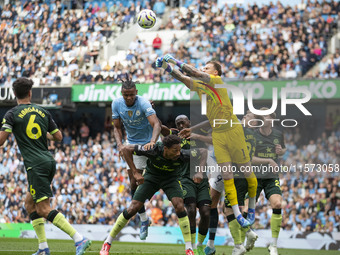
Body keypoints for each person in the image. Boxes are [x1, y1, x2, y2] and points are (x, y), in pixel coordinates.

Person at [154, 55, 258, 229]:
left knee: (249, 176)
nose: (203, 69)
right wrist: (167, 67)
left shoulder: (217, 81)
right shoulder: (202, 87)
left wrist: (174, 60)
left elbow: (192, 72)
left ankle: (252, 207)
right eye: (203, 68)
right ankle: (239, 214)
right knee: (227, 176)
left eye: (206, 67)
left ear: (215, 72)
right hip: (218, 134)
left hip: (233, 131)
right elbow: (183, 78)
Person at [0, 78, 91, 255]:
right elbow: (58, 137)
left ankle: (79, 238)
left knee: (43, 208)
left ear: (14, 94)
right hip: (48, 161)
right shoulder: (42, 111)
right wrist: (42, 134)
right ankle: (43, 248)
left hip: (35, 165)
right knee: (29, 204)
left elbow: (1, 141)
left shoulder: (12, 114)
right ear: (30, 93)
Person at [99, 135, 208, 255]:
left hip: (171, 179)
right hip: (152, 178)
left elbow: (203, 152)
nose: (178, 153)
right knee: (133, 208)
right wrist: (135, 172)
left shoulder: (182, 154)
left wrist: (200, 172)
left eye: (179, 150)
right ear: (165, 149)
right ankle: (107, 242)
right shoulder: (154, 149)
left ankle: (189, 249)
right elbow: (126, 149)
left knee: (180, 206)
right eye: (175, 150)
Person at [112, 74, 161, 240]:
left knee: (155, 182)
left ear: (136, 92)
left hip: (150, 143)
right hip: (133, 144)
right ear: (121, 93)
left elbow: (156, 124)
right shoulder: (116, 104)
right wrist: (120, 144)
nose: (129, 98)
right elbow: (117, 128)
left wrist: (153, 141)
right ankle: (144, 220)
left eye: (131, 94)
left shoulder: (143, 103)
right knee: (133, 184)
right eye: (125, 95)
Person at [164, 115, 212, 255]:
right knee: (190, 210)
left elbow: (212, 122)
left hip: (201, 179)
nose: (180, 125)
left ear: (189, 122)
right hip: (185, 178)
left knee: (206, 212)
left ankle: (200, 245)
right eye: (177, 123)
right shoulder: (175, 137)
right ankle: (190, 246)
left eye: (182, 122)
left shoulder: (199, 131)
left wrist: (194, 132)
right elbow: (163, 131)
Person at [252, 108, 286, 255]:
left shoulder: (278, 134)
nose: (266, 118)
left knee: (278, 204)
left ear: (272, 119)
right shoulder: (253, 135)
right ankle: (247, 237)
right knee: (246, 209)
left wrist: (281, 151)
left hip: (271, 177)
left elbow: (283, 149)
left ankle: (273, 245)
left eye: (268, 116)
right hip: (255, 176)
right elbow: (249, 158)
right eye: (263, 116)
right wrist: (269, 160)